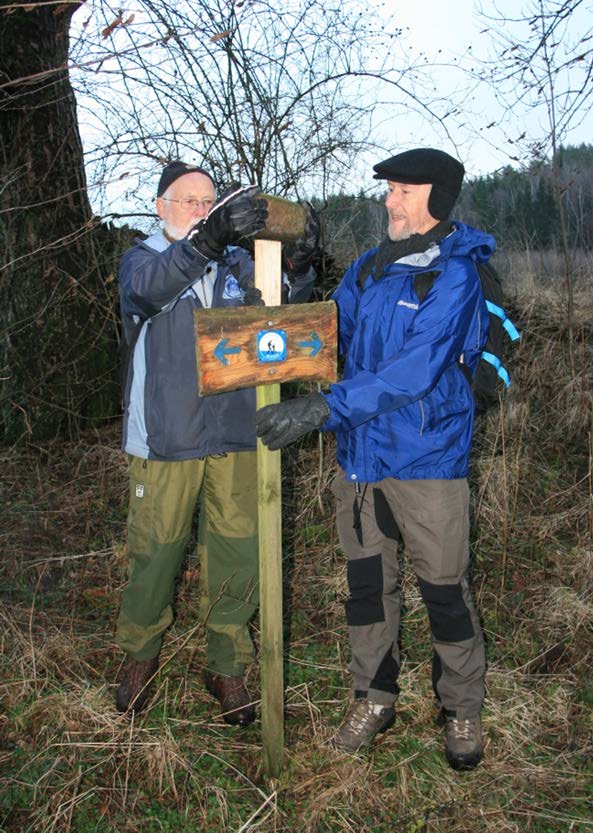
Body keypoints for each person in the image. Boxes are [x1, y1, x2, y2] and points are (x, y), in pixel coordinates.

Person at [256, 148, 493, 769]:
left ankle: (462, 708)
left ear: (436, 199)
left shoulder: (455, 276)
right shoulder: (369, 267)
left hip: (428, 462)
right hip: (361, 462)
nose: (389, 200)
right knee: (367, 590)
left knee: (444, 592)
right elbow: (327, 330)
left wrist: (320, 410)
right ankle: (374, 696)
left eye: (403, 191)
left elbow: (413, 372)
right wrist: (303, 279)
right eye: (389, 189)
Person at [115, 161, 317, 724]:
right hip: (165, 439)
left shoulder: (236, 266)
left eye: (210, 202)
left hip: (234, 435)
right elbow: (148, 292)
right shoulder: (143, 260)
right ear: (161, 207)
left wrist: (301, 264)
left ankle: (226, 663)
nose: (202, 210)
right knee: (155, 553)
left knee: (236, 551)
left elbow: (282, 311)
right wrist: (206, 240)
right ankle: (139, 655)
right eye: (189, 201)